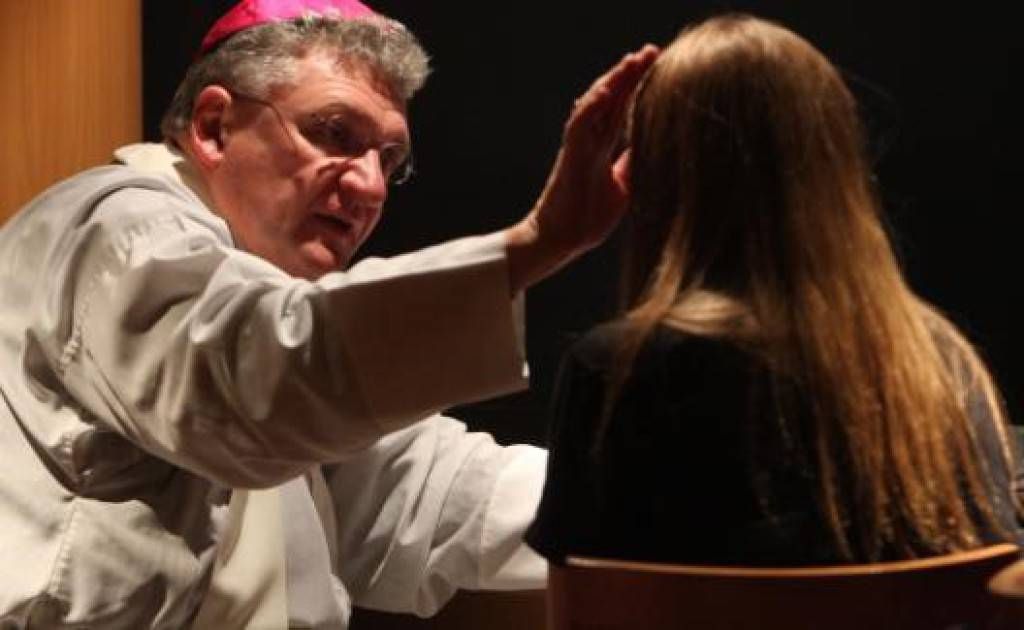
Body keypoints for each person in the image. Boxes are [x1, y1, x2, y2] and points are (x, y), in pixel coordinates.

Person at [0, 0, 657, 627]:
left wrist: (676, 498)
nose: (370, 186)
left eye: (389, 159)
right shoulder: (117, 230)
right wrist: (536, 244)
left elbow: (430, 495)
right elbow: (255, 382)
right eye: (334, 133)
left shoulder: (272, 302)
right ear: (213, 127)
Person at [526, 14, 1022, 568]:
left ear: (653, 177)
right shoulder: (943, 366)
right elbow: (993, 589)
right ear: (838, 164)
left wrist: (544, 237)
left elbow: (581, 603)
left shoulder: (614, 374)